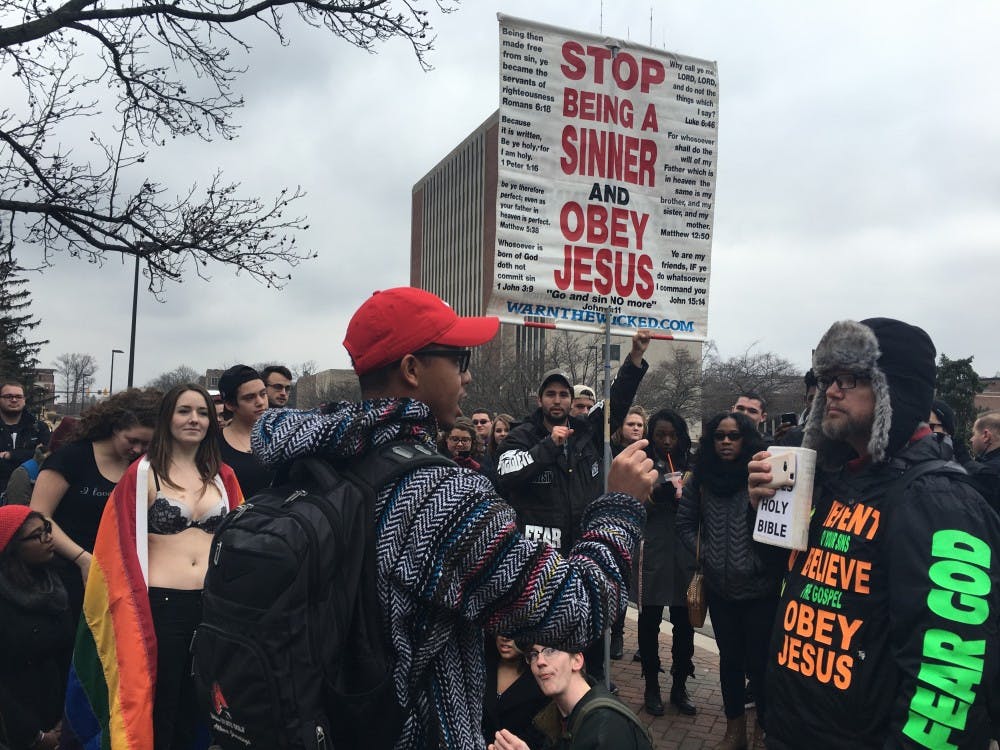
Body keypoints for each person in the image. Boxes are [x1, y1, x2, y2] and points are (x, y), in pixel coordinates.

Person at [251, 286, 656, 750]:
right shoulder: (439, 494)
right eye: (460, 359)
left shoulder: (307, 458)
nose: (467, 377)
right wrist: (619, 507)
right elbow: (578, 611)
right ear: (411, 368)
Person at [749, 318, 1000, 750]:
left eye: (851, 378)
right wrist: (766, 514)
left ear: (893, 391)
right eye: (828, 379)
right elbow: (789, 583)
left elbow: (951, 678)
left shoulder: (940, 501)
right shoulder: (834, 480)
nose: (831, 391)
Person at [65, 384, 243, 750]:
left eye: (203, 412)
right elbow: (117, 546)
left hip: (214, 608)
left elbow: (242, 540)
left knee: (204, 705)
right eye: (184, 411)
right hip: (162, 608)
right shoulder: (142, 475)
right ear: (167, 417)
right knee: (160, 705)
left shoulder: (223, 476)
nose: (194, 419)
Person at [498, 334, 650, 684]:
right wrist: (548, 447)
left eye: (563, 394)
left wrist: (635, 358)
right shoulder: (522, 435)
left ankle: (589, 698)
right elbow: (506, 472)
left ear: (571, 399)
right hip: (538, 558)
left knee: (586, 638)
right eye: (550, 394)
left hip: (582, 552)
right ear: (539, 400)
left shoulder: (587, 430)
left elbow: (619, 398)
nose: (557, 400)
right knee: (541, 645)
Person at [677, 412, 782, 750]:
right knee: (730, 661)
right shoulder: (701, 479)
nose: (725, 441)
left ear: (746, 439)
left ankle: (762, 730)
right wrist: (704, 553)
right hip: (720, 590)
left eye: (733, 436)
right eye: (720, 436)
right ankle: (733, 730)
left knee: (761, 664)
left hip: (760, 589)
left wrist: (754, 559)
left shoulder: (763, 477)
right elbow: (685, 523)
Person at [30, 389, 160, 622]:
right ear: (115, 427)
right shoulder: (71, 458)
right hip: (64, 573)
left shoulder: (141, 467)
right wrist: (83, 559)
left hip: (117, 576)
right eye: (132, 441)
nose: (138, 450)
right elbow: (39, 516)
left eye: (146, 444)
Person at [635, 408, 697, 717]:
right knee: (649, 622)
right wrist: (656, 495)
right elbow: (632, 504)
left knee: (685, 624)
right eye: (661, 435)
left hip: (685, 554)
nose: (667, 441)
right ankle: (651, 686)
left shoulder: (691, 465)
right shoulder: (642, 464)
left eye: (673, 435)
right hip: (655, 550)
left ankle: (680, 684)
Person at [0, 506, 74, 750]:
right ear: (12, 547)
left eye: (47, 529)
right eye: (37, 535)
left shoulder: (55, 585)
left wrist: (67, 718)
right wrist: (36, 737)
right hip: (17, 729)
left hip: (59, 717)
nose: (49, 538)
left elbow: (66, 655)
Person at [487, 643, 653, 750]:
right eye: (533, 655)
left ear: (577, 660)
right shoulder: (556, 716)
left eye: (551, 650)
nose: (540, 661)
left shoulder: (606, 725)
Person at [482, 636, 547, 750]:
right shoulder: (480, 666)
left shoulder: (542, 679)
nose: (505, 637)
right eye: (500, 629)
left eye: (512, 632)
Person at [218, 364, 274, 496]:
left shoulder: (281, 436)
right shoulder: (213, 445)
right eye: (250, 397)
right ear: (230, 404)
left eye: (263, 394)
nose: (260, 402)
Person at [0, 381, 51, 489]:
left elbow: (47, 455)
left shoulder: (39, 428)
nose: (14, 400)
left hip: (30, 492)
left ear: (24, 400)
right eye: (8, 396)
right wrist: (30, 456)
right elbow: (36, 457)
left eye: (18, 396)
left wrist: (11, 455)